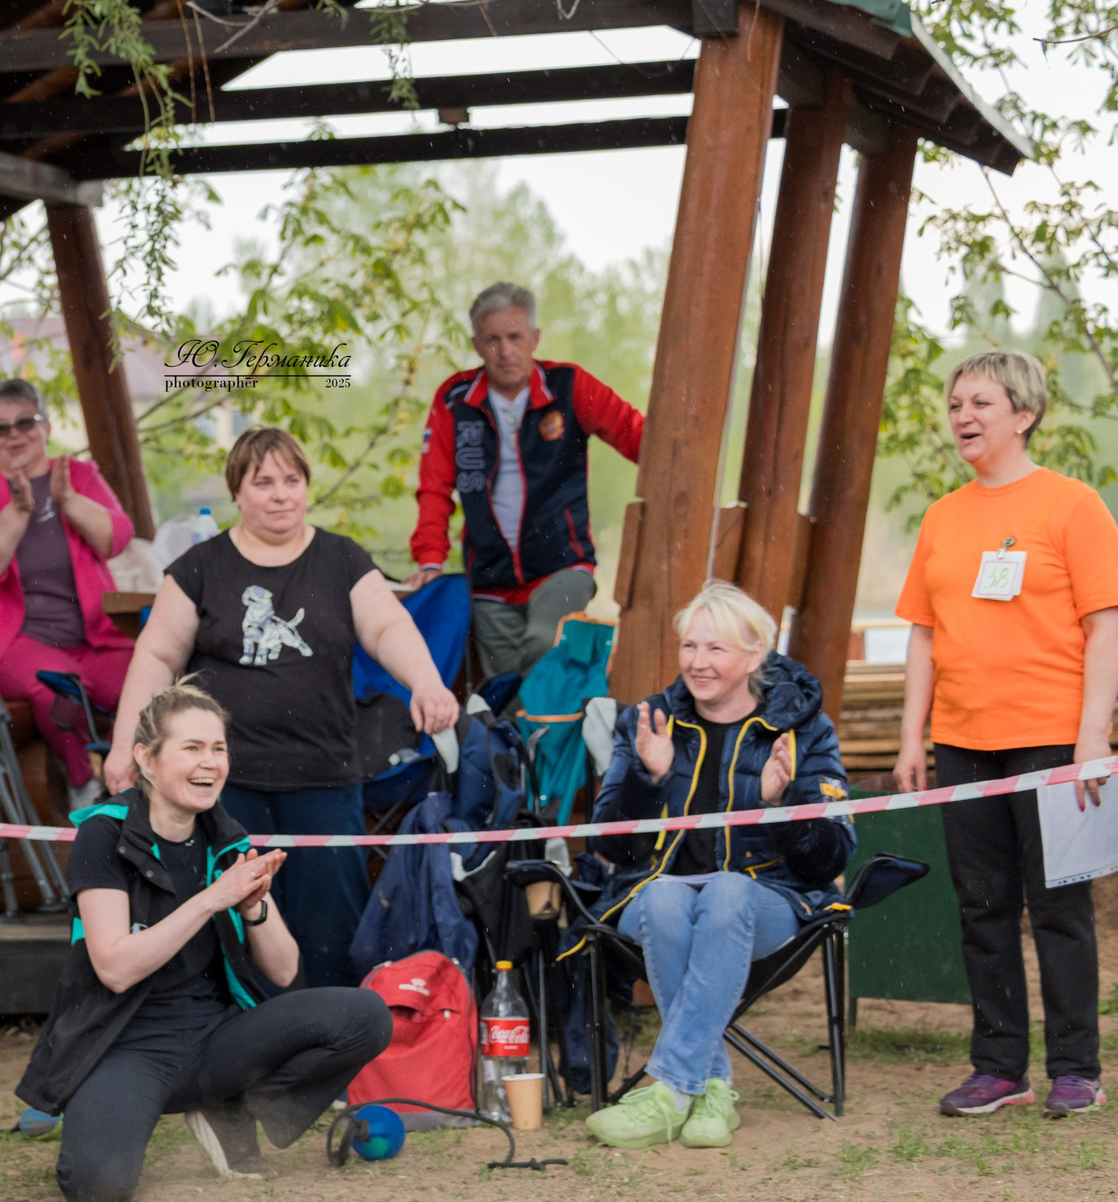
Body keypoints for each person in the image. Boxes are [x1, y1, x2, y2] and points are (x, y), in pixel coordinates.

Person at [106, 426, 459, 991]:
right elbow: (154, 656)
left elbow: (389, 625)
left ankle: (331, 1061)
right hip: (223, 787)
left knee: (330, 934)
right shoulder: (200, 567)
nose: (280, 494)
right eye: (263, 481)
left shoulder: (342, 559)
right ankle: (244, 1058)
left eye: (291, 480)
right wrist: (127, 746)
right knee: (235, 927)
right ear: (237, 493)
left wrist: (426, 682)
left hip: (325, 782)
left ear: (306, 487)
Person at [20, 683, 392, 1202]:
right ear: (146, 759)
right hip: (125, 1045)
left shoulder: (227, 836)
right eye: (191, 748)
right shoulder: (104, 835)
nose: (210, 763)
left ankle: (230, 1106)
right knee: (98, 1187)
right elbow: (115, 969)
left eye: (218, 748)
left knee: (367, 1015)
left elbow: (284, 972)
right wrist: (210, 900)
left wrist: (252, 907)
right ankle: (158, 1110)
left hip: (218, 1038)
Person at [895, 349, 1118, 1120]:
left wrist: (1095, 735)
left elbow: (1105, 625)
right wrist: (911, 738)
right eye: (956, 403)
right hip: (963, 743)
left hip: (1054, 740)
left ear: (1023, 414)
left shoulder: (1073, 505)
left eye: (981, 402)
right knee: (981, 905)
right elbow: (922, 634)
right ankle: (998, 1065)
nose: (963, 416)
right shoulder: (942, 517)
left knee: (1058, 905)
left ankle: (1075, 1067)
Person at [584, 581, 853, 1150]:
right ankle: (710, 1090)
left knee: (727, 891)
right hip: (656, 896)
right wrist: (648, 780)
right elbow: (613, 848)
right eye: (690, 647)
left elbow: (833, 855)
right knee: (665, 897)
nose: (697, 664)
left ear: (755, 654)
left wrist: (784, 808)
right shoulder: (650, 721)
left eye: (715, 650)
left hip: (769, 901)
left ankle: (668, 1090)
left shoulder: (805, 730)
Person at [411, 282, 643, 679]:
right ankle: (536, 739)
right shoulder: (454, 400)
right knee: (505, 688)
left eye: (515, 337)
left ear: (535, 338)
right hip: (489, 580)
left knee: (543, 644)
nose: (505, 351)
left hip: (564, 568)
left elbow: (638, 437)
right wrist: (430, 560)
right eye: (493, 339)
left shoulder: (570, 387)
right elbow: (434, 487)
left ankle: (559, 728)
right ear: (476, 344)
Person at [0, 377, 136, 802]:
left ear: (45, 427)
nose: (15, 435)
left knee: (148, 678)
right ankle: (84, 785)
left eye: (25, 422)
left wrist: (70, 503)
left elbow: (116, 539)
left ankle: (140, 786)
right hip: (18, 642)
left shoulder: (77, 475)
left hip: (94, 639)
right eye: (0, 427)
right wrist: (17, 511)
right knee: (61, 687)